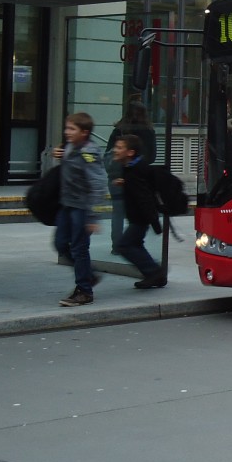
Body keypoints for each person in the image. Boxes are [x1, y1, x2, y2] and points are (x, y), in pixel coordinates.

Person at [53, 112, 109, 307]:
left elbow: (98, 182)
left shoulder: (89, 152)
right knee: (60, 244)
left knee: (79, 249)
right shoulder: (70, 147)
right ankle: (88, 275)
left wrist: (92, 216)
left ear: (84, 133)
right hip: (67, 205)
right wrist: (59, 156)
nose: (66, 132)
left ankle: (84, 290)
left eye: (71, 129)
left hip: (81, 208)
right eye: (66, 128)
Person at [110, 133, 166, 289]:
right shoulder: (131, 168)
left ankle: (155, 273)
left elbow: (145, 197)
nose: (115, 150)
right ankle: (154, 274)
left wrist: (154, 222)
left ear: (130, 153)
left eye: (119, 147)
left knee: (124, 245)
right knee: (135, 244)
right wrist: (125, 182)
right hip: (137, 216)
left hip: (140, 217)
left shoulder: (135, 171)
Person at [106, 101, 156, 249]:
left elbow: (109, 153)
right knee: (138, 213)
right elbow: (152, 156)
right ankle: (134, 243)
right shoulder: (148, 131)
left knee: (118, 212)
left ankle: (117, 245)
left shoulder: (119, 130)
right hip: (138, 177)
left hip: (116, 176)